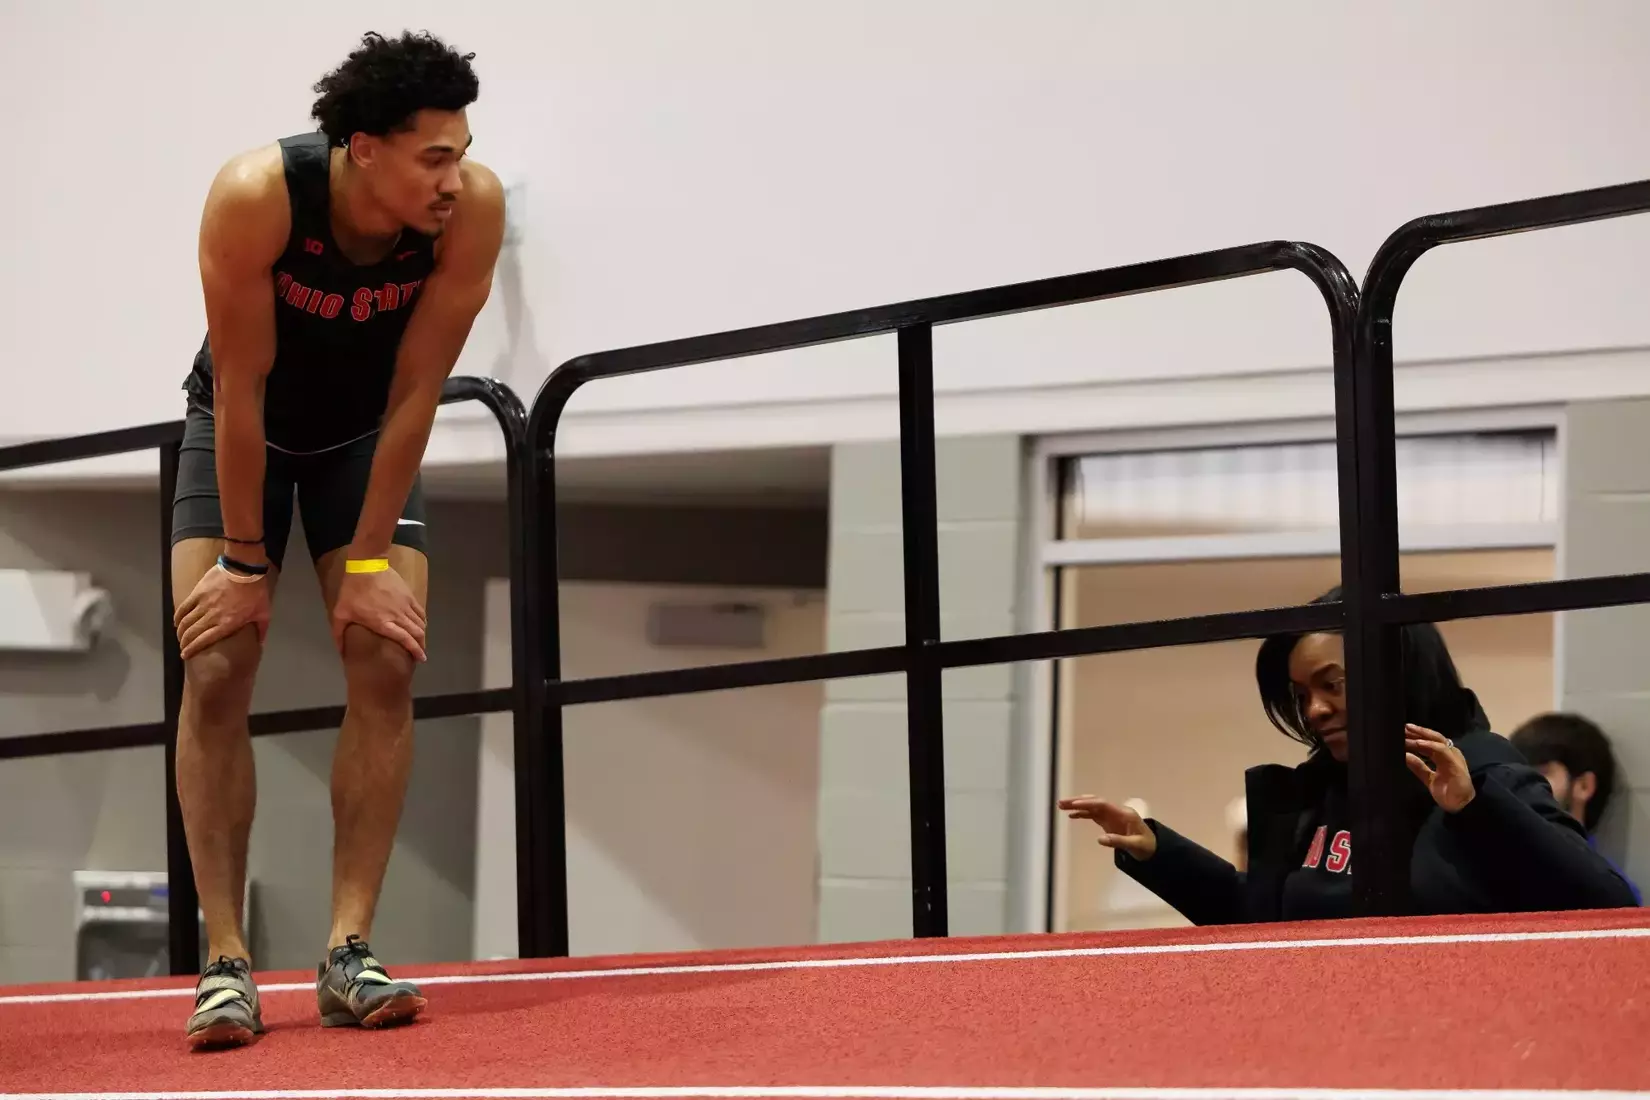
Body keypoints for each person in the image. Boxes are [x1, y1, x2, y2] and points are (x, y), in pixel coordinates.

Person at [168, 30, 504, 1050]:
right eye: (432, 157)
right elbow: (241, 388)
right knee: (219, 661)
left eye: (462, 150)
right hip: (244, 427)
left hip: (366, 430)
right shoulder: (256, 195)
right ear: (364, 148)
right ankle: (224, 961)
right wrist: (241, 557)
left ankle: (347, 948)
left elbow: (415, 390)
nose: (456, 178)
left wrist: (362, 561)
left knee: (385, 651)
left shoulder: (473, 214)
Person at [1059, 587, 1639, 925]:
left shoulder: (1484, 775)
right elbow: (1267, 921)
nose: (1314, 711)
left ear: (1397, 674)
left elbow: (1603, 905)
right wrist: (1159, 852)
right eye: (1303, 695)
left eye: (1333, 684)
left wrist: (1475, 807)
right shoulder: (1315, 793)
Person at [1510, 712, 1642, 905]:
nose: (1520, 784)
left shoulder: (1612, 893)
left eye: (1539, 773)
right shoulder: (1492, 871)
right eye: (1515, 772)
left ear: (1584, 786)